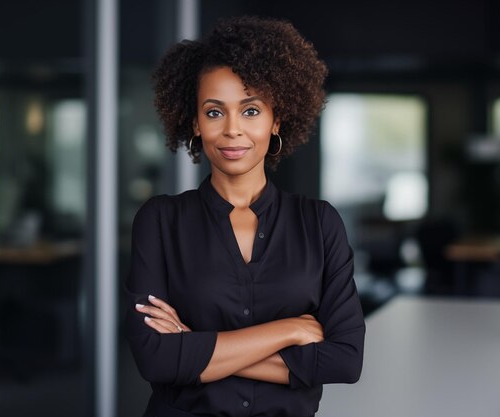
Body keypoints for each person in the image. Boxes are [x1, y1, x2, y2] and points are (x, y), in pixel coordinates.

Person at [125, 16, 365, 417]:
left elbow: (344, 360)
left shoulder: (319, 224)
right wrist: (288, 330)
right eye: (215, 112)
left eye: (251, 110)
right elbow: (155, 359)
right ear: (194, 124)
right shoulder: (160, 221)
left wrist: (195, 347)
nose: (232, 130)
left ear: (277, 121)